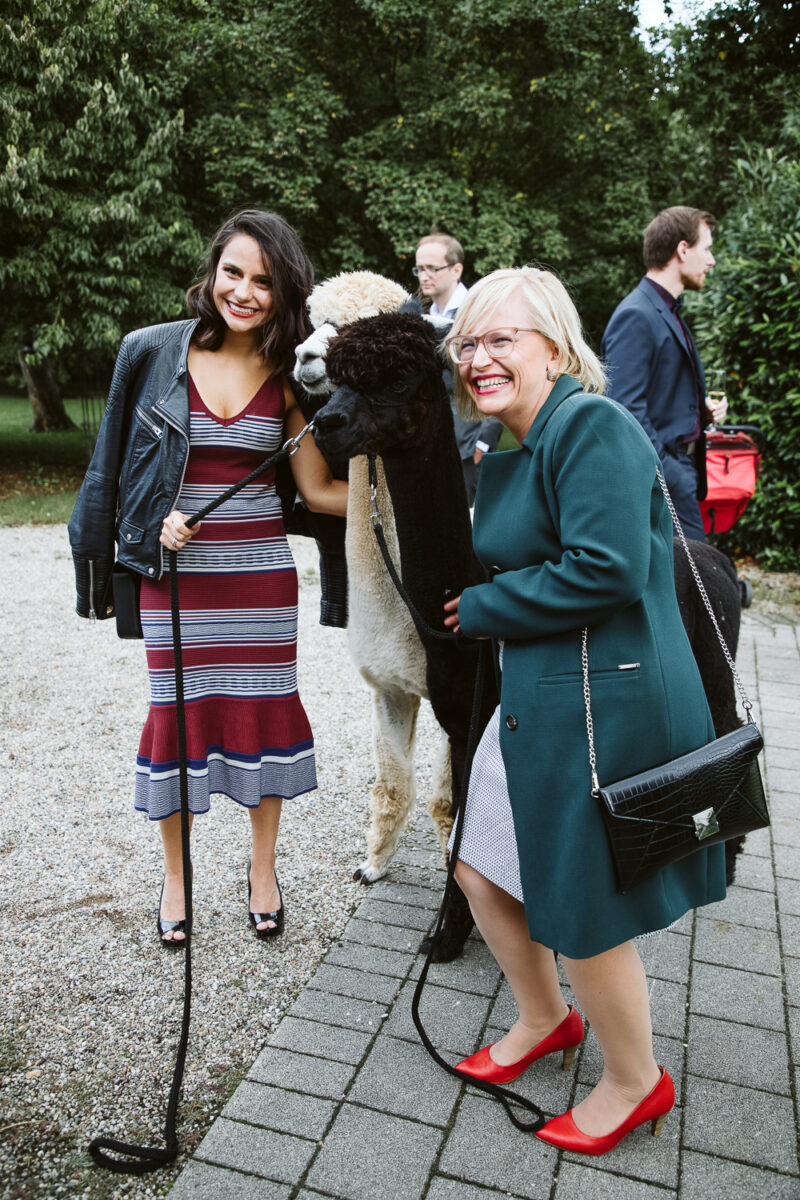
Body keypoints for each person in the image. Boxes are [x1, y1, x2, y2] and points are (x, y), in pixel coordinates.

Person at [441, 266, 726, 1154]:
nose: (479, 358)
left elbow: (606, 569)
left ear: (557, 348)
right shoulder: (519, 437)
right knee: (480, 869)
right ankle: (544, 1020)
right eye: (468, 342)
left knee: (582, 909)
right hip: (540, 700)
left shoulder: (590, 424)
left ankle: (637, 1081)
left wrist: (484, 608)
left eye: (502, 339)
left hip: (601, 706)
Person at [69, 210, 347, 946]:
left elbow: (320, 491)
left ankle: (263, 869)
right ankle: (176, 876)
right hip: (177, 579)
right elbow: (113, 469)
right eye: (233, 272)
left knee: (265, 713)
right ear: (213, 270)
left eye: (264, 281)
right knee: (176, 717)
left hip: (260, 581)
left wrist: (410, 496)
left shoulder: (291, 375)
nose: (244, 292)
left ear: (284, 292)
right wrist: (149, 520)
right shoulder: (152, 352)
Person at [601, 206, 728, 541]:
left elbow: (659, 395)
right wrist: (670, 475)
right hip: (662, 480)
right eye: (706, 249)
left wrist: (701, 412)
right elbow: (625, 412)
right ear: (683, 250)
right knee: (696, 571)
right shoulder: (636, 315)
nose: (711, 260)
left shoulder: (663, 310)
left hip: (677, 475)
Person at [413, 234, 501, 502]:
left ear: (456, 269)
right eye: (420, 268)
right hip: (428, 448)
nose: (424, 276)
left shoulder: (478, 312)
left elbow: (496, 375)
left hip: (468, 451)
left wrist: (483, 443)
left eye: (432, 268)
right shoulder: (422, 317)